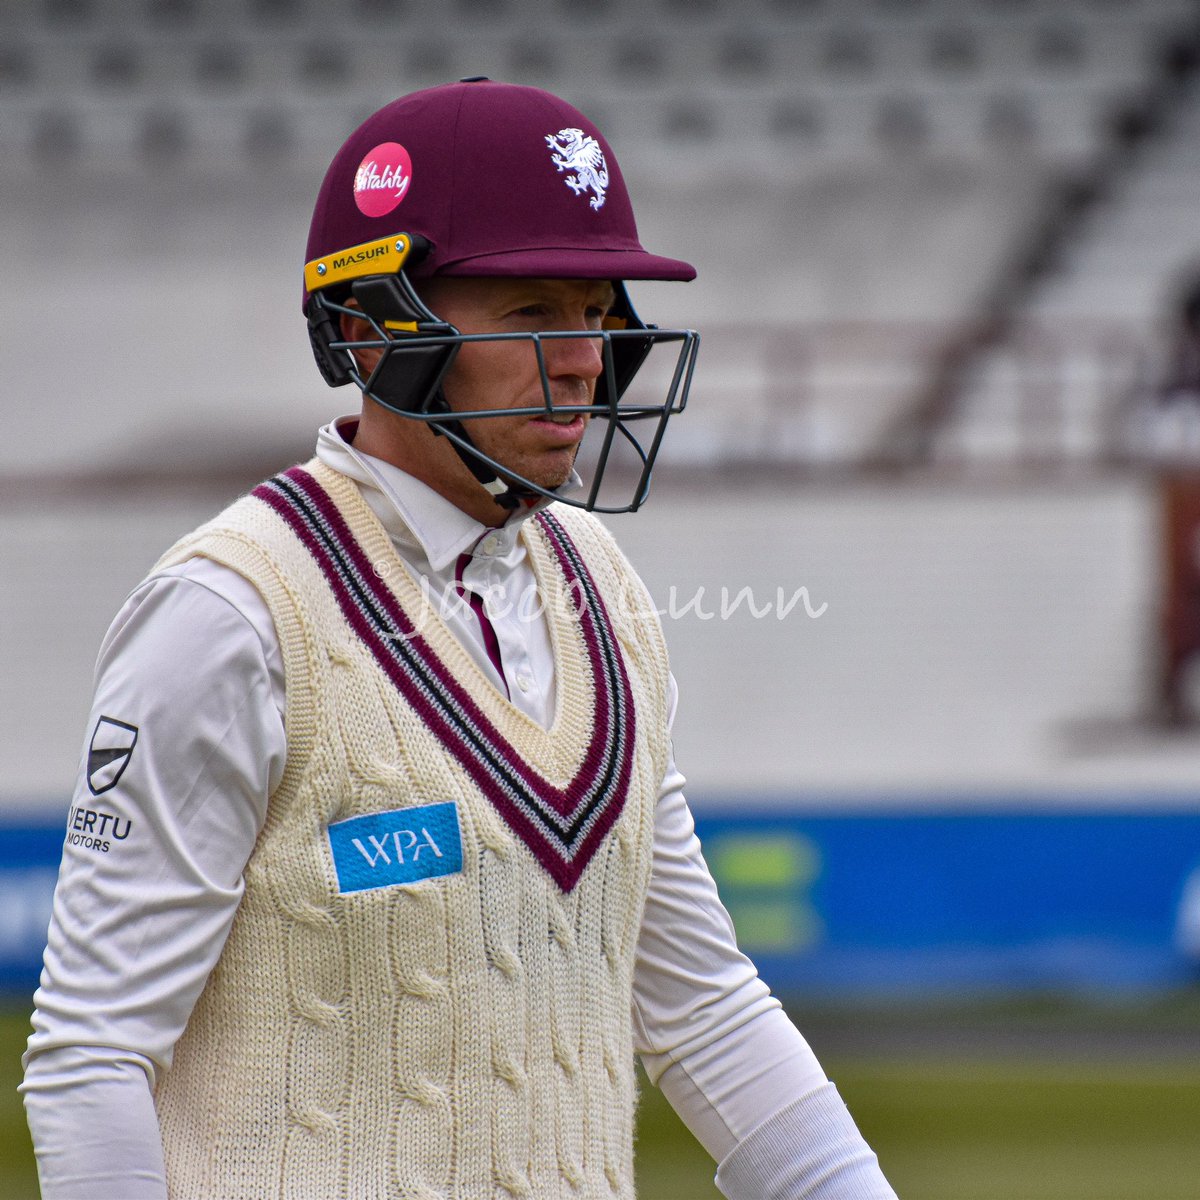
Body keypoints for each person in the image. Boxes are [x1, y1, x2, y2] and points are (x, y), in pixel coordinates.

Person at [21, 79, 899, 1200]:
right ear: (371, 327)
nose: (585, 359)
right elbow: (93, 1053)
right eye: (532, 314)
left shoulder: (602, 581)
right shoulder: (230, 609)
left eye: (595, 311)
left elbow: (703, 1006)